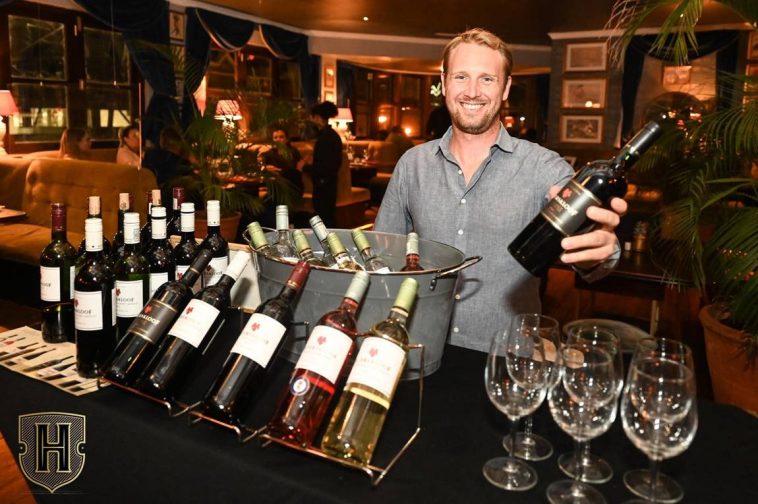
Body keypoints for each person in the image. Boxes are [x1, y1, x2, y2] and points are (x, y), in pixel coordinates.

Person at [374, 28, 625, 352]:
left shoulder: (544, 168)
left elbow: (593, 245)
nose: (472, 91)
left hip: (505, 357)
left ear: (505, 87)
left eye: (487, 79)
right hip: (419, 348)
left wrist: (600, 247)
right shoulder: (412, 164)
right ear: (444, 82)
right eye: (461, 77)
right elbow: (382, 255)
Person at [302, 101, 342, 227]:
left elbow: (326, 167)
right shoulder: (332, 136)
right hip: (329, 185)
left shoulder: (326, 138)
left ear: (318, 118)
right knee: (327, 218)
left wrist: (305, 167)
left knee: (325, 221)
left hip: (324, 185)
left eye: (312, 117)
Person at [258, 128, 304, 195]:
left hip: (291, 185)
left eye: (281, 137)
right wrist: (265, 167)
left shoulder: (293, 151)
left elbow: (290, 167)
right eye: (275, 137)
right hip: (275, 186)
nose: (278, 139)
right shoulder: (270, 152)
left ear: (287, 139)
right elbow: (261, 163)